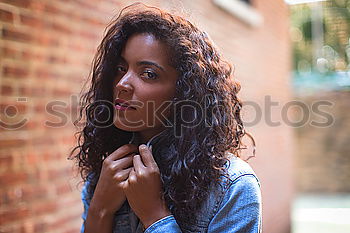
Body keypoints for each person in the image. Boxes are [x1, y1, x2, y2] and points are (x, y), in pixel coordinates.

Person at [70, 3, 262, 233]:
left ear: (184, 93)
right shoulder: (105, 176)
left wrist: (155, 216)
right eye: (121, 68)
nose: (122, 84)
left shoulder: (232, 186)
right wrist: (100, 210)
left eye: (148, 74)